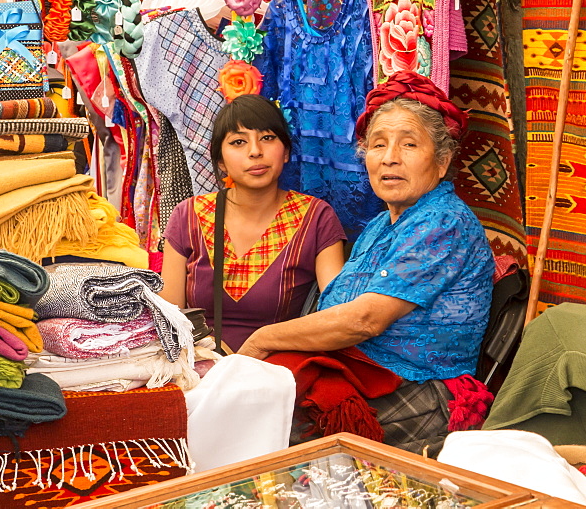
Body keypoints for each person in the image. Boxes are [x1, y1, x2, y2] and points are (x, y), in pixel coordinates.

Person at [237, 72, 494, 451]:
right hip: (363, 373)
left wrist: (260, 341)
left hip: (421, 389)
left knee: (270, 432)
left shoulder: (443, 221)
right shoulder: (382, 224)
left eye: (409, 145)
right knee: (250, 405)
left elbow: (364, 319)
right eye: (378, 145)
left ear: (441, 162)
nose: (390, 157)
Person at [160, 95, 347, 352]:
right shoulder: (188, 215)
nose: (255, 151)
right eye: (238, 142)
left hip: (281, 370)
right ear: (221, 161)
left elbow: (337, 316)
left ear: (286, 151)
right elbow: (170, 317)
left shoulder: (316, 217)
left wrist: (263, 344)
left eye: (268, 138)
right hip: (202, 369)